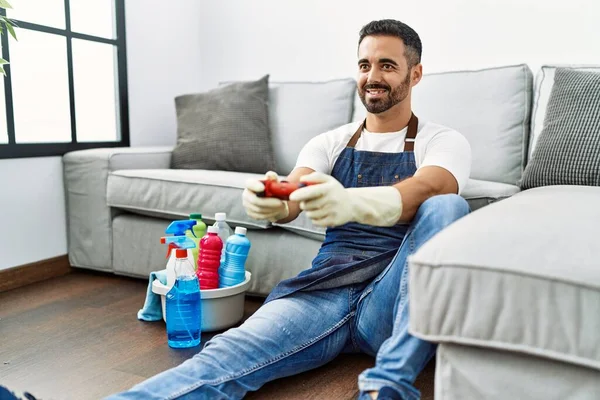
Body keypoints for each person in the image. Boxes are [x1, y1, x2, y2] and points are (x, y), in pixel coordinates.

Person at [107, 19, 471, 400]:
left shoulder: (442, 140)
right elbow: (292, 195)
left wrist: (352, 201)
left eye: (387, 65)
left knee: (449, 206)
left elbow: (432, 187)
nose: (372, 76)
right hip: (325, 289)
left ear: (415, 75)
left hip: (394, 299)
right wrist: (269, 201)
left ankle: (389, 385)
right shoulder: (329, 142)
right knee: (225, 356)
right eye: (364, 65)